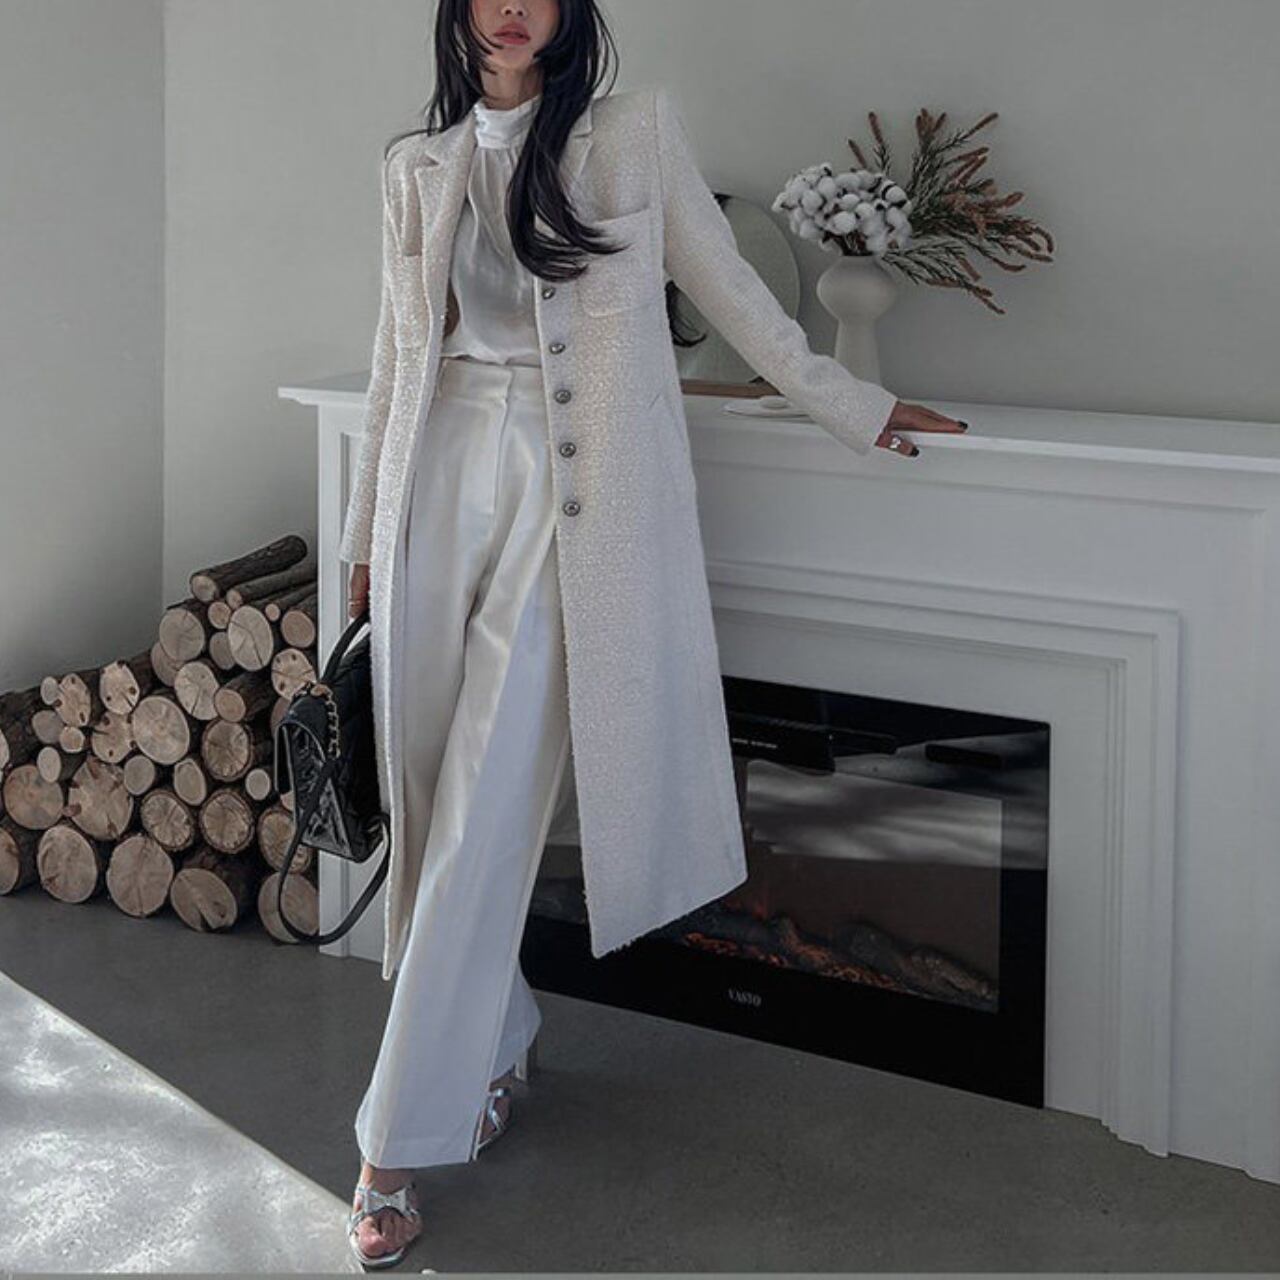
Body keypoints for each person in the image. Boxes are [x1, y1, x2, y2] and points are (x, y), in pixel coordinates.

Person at [343, 0, 968, 1267]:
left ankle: (389, 1144)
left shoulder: (628, 135)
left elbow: (733, 288)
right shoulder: (414, 164)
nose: (511, 8)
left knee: (483, 809)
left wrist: (852, 400)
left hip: (568, 496)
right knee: (426, 796)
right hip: (432, 486)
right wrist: (360, 538)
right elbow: (394, 359)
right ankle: (498, 1038)